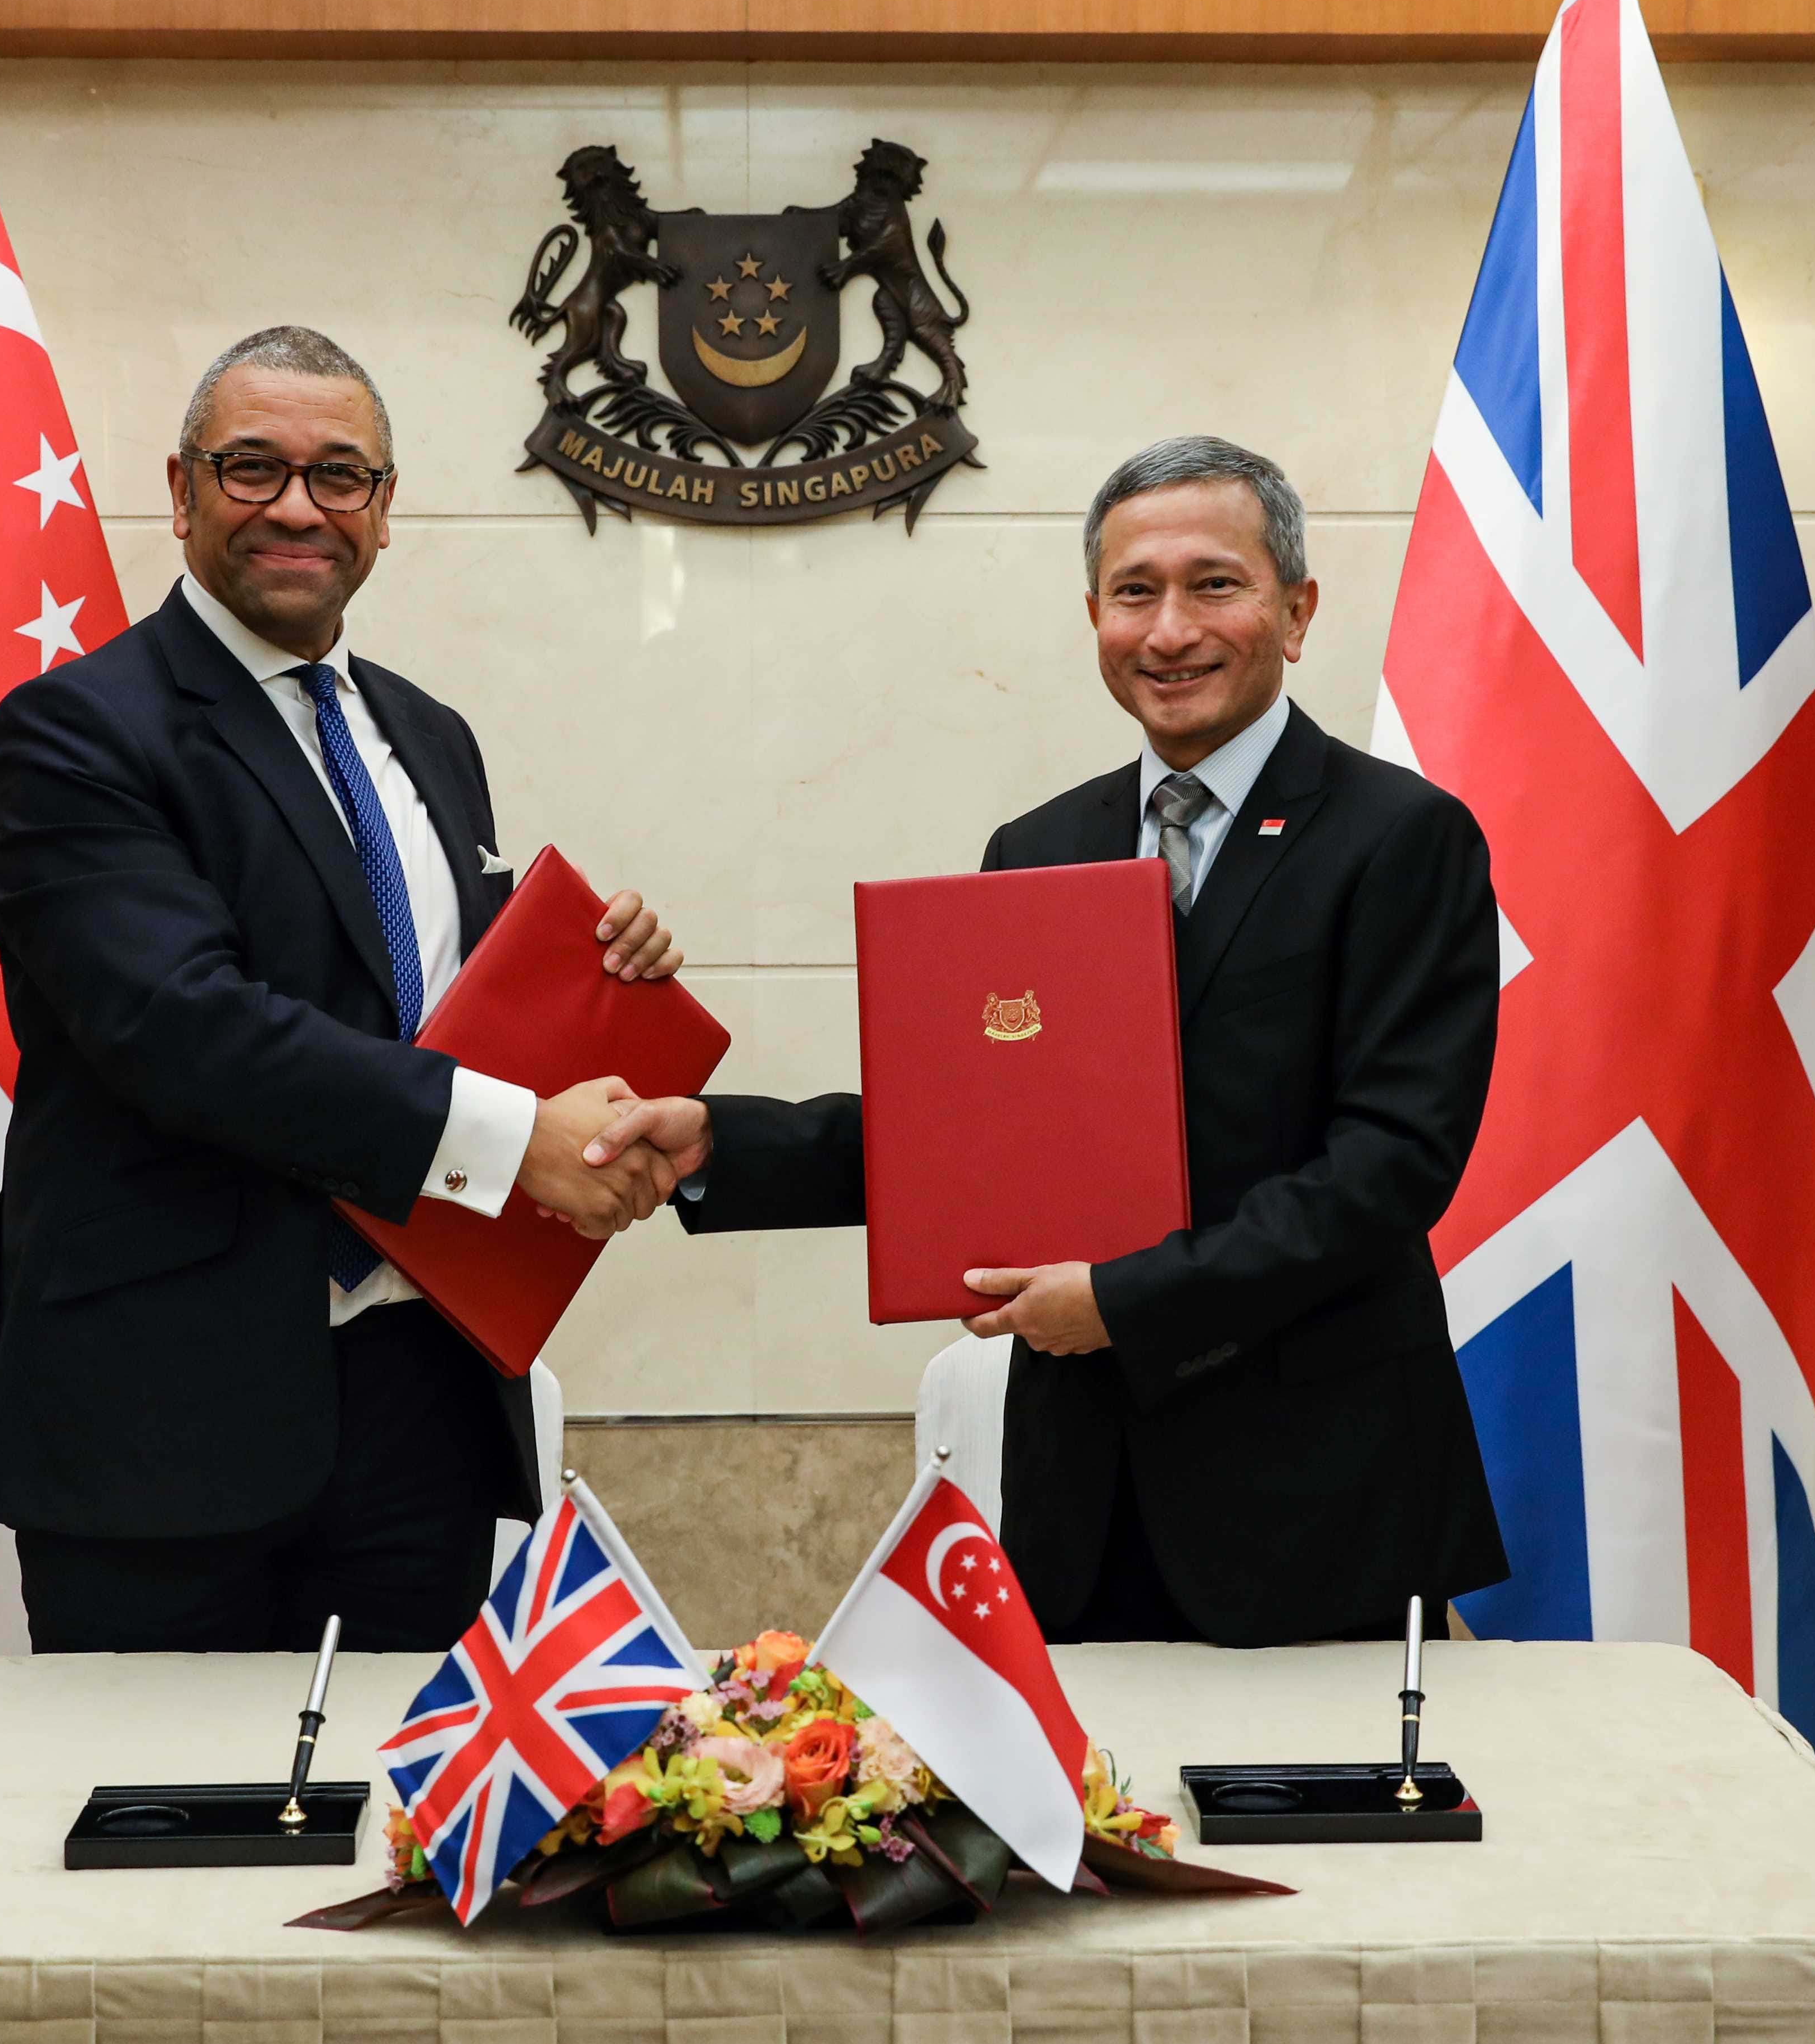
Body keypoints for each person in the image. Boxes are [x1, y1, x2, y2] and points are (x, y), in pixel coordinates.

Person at [589, 436, 1508, 1647]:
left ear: (1296, 610)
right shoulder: (1039, 847)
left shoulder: (1402, 836)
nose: (1169, 628)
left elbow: (1389, 1168)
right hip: (1085, 1491)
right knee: (1086, 1828)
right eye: (1134, 592)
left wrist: (1124, 1299)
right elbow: (970, 1133)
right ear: (1092, 617)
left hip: (1318, 1493)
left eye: (1212, 584)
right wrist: (718, 1140)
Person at [0, 324, 683, 1654]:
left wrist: (588, 968)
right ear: (179, 493)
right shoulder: (75, 729)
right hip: (166, 1413)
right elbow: (185, 1028)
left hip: (422, 1392)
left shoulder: (427, 734)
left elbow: (408, 996)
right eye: (252, 468)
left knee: (404, 1818)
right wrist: (517, 1140)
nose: (297, 506)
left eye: (339, 475)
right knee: (167, 1823)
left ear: (385, 512)